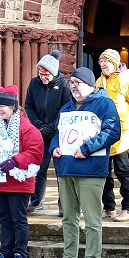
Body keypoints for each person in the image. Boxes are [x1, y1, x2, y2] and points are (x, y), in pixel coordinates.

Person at [50, 67, 121, 258]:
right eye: (71, 82)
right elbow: (57, 133)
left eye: (77, 82)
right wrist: (54, 147)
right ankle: (69, 257)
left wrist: (87, 148)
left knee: (92, 218)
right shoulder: (66, 108)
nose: (73, 86)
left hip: (90, 168)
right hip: (66, 167)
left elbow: (112, 131)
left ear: (90, 84)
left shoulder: (104, 104)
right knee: (69, 217)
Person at [0, 85, 44, 258]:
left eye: (3, 105)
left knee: (18, 219)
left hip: (19, 182)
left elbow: (35, 152)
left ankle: (20, 253)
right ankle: (5, 253)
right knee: (4, 219)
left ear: (14, 107)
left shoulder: (28, 129)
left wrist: (16, 160)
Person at [97, 49, 129, 222]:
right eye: (101, 61)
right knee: (104, 173)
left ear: (115, 63)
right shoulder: (99, 81)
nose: (103, 64)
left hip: (122, 135)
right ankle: (109, 207)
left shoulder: (128, 81)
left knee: (123, 171)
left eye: (106, 61)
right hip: (102, 135)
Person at [24, 50, 72, 214]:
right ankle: (36, 200)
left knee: (61, 169)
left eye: (46, 74)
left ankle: (64, 204)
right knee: (39, 167)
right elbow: (28, 106)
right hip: (39, 132)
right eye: (40, 73)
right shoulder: (34, 83)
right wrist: (37, 125)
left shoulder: (64, 86)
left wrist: (52, 127)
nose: (42, 77)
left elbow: (66, 109)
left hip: (59, 133)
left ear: (54, 72)